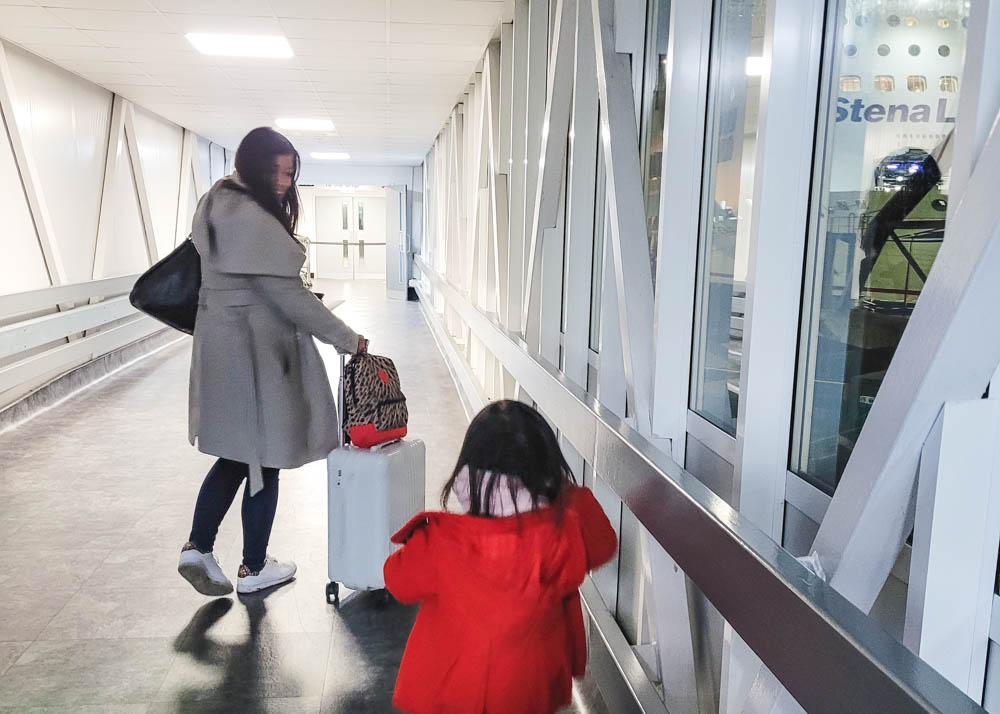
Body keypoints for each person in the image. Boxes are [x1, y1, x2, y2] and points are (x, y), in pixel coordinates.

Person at [178, 127, 367, 596]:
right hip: (255, 355)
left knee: (239, 455)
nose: (284, 181)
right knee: (266, 458)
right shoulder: (252, 218)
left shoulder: (217, 203)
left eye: (290, 172)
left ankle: (198, 546)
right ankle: (253, 567)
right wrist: (347, 339)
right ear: (254, 166)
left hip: (222, 347)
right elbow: (288, 296)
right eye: (276, 171)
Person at [384, 400, 618, 714]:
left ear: (467, 473)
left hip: (458, 692)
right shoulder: (563, 533)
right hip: (531, 690)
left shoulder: (443, 543)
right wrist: (556, 489)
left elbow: (397, 580)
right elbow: (604, 543)